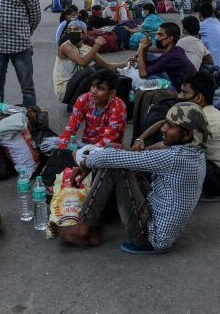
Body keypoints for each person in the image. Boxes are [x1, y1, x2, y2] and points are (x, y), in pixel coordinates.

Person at [59, 102, 208, 253]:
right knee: (114, 151)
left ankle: (84, 226)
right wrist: (139, 143)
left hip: (149, 237)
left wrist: (85, 163)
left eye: (170, 126)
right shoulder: (194, 152)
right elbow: (159, 147)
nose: (163, 129)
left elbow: (111, 158)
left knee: (114, 162)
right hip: (160, 223)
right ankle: (91, 226)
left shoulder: (174, 158)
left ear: (187, 134)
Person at [135, 72, 220, 202]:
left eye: (184, 93)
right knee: (170, 136)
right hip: (214, 169)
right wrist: (139, 140)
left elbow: (168, 147)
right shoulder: (196, 112)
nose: (179, 96)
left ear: (199, 98)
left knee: (177, 151)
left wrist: (137, 157)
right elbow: (163, 123)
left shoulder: (204, 119)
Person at [59, 69, 128, 148]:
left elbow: (108, 139)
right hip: (85, 144)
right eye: (93, 86)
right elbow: (71, 127)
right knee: (50, 144)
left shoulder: (119, 107)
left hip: (107, 149)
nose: (94, 91)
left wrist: (86, 153)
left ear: (112, 92)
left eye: (100, 88)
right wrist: (61, 148)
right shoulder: (84, 99)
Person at [137, 23, 197, 91]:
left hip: (183, 92)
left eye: (160, 35)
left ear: (170, 39)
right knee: (148, 57)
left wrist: (140, 49)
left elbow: (142, 74)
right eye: (157, 34)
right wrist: (145, 50)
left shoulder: (172, 56)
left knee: (151, 78)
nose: (156, 38)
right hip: (178, 83)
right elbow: (147, 66)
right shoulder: (175, 50)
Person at [198, 3, 220, 70]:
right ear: (212, 13)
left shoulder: (202, 25)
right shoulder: (218, 23)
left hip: (213, 68)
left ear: (200, 14)